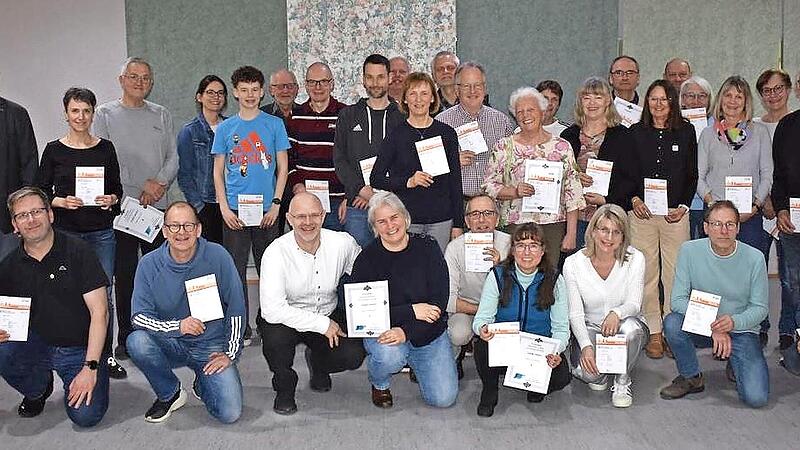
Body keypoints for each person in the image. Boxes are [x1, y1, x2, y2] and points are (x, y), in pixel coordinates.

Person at [35, 87, 126, 379]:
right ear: (66, 113)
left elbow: (117, 189)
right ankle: (73, 352)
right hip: (65, 235)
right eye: (75, 111)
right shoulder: (53, 150)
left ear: (93, 113)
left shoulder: (105, 148)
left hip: (100, 233)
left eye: (86, 111)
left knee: (105, 294)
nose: (81, 116)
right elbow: (39, 192)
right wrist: (59, 201)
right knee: (68, 294)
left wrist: (111, 199)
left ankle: (106, 355)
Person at [0, 187, 110, 427]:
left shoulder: (78, 251)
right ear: (15, 224)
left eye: (37, 211)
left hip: (80, 349)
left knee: (86, 417)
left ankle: (89, 374)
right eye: (22, 215)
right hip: (38, 345)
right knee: (3, 351)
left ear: (50, 214)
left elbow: (99, 312)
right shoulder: (8, 266)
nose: (31, 219)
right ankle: (37, 389)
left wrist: (91, 366)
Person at [127, 201, 244, 424]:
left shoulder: (218, 256)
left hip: (210, 344)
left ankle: (203, 380)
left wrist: (230, 353)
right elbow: (138, 317)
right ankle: (170, 393)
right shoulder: (149, 264)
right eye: (174, 226)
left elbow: (237, 308)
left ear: (198, 229)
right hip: (170, 341)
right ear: (164, 231)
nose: (181, 232)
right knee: (137, 342)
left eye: (188, 226)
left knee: (230, 413)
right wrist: (178, 326)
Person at [94, 57, 178, 359]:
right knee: (126, 273)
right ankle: (127, 337)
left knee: (161, 272)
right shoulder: (104, 114)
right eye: (133, 76)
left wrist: (158, 183)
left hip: (158, 206)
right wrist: (137, 188)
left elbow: (173, 157)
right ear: (121, 80)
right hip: (124, 209)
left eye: (145, 77)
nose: (140, 82)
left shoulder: (162, 114)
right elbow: (104, 158)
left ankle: (162, 330)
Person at [257, 192, 366, 415]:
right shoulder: (275, 253)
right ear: (289, 219)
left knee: (353, 355)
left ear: (324, 216)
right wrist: (322, 325)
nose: (308, 222)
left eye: (314, 215)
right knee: (276, 343)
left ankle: (318, 362)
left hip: (328, 311)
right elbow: (273, 309)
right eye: (300, 216)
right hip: (285, 318)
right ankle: (284, 386)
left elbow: (366, 272)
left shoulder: (342, 243)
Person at [350, 191, 458, 409]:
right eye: (381, 221)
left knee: (443, 399)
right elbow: (361, 314)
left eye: (394, 217)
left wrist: (407, 331)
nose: (390, 225)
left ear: (405, 218)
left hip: (426, 330)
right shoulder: (366, 260)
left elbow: (438, 302)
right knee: (390, 356)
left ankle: (417, 362)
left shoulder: (428, 248)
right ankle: (379, 383)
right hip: (385, 329)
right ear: (374, 227)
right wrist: (411, 311)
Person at [660, 201, 769, 408]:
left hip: (741, 330)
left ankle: (734, 360)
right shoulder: (689, 251)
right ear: (706, 227)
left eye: (729, 224)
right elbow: (677, 301)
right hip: (704, 325)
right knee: (673, 323)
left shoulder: (755, 258)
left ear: (738, 228)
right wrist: (713, 326)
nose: (723, 230)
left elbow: (760, 308)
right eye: (717, 224)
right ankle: (691, 376)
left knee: (757, 398)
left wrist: (733, 323)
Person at [212, 65, 290, 346]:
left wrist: (277, 205)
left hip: (268, 210)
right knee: (234, 270)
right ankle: (240, 326)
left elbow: (283, 167)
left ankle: (267, 324)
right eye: (243, 90)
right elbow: (217, 171)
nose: (249, 95)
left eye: (254, 90)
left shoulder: (274, 125)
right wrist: (223, 208)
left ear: (262, 92)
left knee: (269, 268)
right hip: (233, 210)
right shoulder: (225, 128)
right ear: (235, 92)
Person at [697, 75, 773, 346]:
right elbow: (699, 176)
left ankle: (754, 325)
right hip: (716, 218)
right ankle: (715, 325)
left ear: (746, 102)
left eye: (738, 96)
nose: (732, 101)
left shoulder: (760, 132)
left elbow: (767, 175)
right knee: (714, 272)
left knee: (751, 272)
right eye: (728, 95)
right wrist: (710, 204)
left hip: (749, 217)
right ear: (721, 99)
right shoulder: (708, 134)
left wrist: (755, 205)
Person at [625, 80, 697, 359]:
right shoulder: (635, 133)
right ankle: (654, 332)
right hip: (641, 214)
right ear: (647, 102)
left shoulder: (686, 132)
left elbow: (692, 174)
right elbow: (627, 174)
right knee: (646, 274)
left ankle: (673, 331)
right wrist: (634, 199)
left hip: (674, 216)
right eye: (653, 99)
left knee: (675, 274)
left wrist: (683, 206)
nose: (658, 105)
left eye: (664, 99)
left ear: (672, 103)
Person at [472, 222, 570, 417]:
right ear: (513, 250)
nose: (527, 252)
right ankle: (490, 390)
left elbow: (561, 327)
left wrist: (556, 351)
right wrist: (482, 328)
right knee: (482, 347)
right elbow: (482, 318)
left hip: (537, 349)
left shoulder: (555, 279)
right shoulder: (497, 276)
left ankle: (534, 384)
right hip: (506, 346)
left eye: (533, 245)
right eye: (521, 245)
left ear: (543, 251)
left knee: (562, 377)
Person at [483, 86, 584, 266]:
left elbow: (573, 193)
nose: (525, 115)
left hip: (552, 226)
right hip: (513, 224)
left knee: (547, 278)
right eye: (520, 111)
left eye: (530, 109)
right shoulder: (503, 146)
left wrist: (571, 233)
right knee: (512, 277)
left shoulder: (562, 147)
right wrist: (514, 191)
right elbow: (489, 186)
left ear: (542, 111)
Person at [563, 204, 647, 407]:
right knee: (590, 376)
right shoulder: (573, 263)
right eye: (604, 230)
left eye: (616, 232)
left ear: (623, 236)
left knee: (632, 330)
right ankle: (601, 374)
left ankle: (622, 380)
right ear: (593, 231)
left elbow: (635, 303)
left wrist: (616, 313)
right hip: (590, 326)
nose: (609, 238)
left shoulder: (636, 258)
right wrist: (586, 346)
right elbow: (575, 313)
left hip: (625, 324)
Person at [370, 72, 464, 252]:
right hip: (407, 219)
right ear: (404, 99)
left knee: (436, 270)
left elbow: (455, 182)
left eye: (424, 93)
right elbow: (376, 178)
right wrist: (408, 181)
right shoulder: (395, 135)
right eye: (413, 93)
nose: (418, 99)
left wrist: (458, 224)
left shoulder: (447, 133)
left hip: (442, 220)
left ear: (432, 98)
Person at [333, 54, 405, 248]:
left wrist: (378, 196)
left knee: (393, 260)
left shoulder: (402, 117)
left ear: (389, 78)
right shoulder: (348, 115)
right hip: (357, 205)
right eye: (370, 77)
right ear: (363, 79)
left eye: (380, 77)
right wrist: (362, 191)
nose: (375, 83)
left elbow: (405, 163)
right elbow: (340, 160)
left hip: (392, 205)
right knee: (359, 263)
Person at [561, 77, 635, 249]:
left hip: (610, 218)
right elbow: (557, 175)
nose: (592, 102)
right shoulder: (567, 136)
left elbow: (631, 179)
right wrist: (574, 176)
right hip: (573, 220)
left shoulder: (623, 136)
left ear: (608, 100)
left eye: (598, 97)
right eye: (586, 97)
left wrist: (606, 199)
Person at [444, 195, 511, 378]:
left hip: (503, 310)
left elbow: (521, 291)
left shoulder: (511, 244)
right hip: (468, 309)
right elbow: (447, 298)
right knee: (458, 333)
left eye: (488, 213)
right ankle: (455, 358)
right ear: (466, 220)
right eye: (475, 214)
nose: (482, 220)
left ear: (497, 218)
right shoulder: (455, 248)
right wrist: (481, 312)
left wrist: (502, 266)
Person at [754, 69, 794, 349]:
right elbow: (751, 168)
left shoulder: (793, 124)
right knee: (755, 273)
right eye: (767, 90)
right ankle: (759, 326)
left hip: (789, 212)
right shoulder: (753, 125)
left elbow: (786, 172)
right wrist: (765, 201)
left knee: (790, 277)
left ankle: (788, 330)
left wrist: (779, 205)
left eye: (778, 88)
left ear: (789, 90)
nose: (773, 95)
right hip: (758, 209)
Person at [286, 62, 349, 234]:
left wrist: (348, 196)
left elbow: (354, 159)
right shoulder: (295, 116)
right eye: (312, 82)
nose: (318, 87)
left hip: (338, 202)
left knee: (337, 257)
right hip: (306, 203)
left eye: (323, 81)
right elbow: (289, 159)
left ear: (332, 84)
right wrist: (297, 186)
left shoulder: (346, 115)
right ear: (306, 85)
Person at [436, 62, 515, 199]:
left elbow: (513, 165)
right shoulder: (441, 123)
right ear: (457, 90)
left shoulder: (502, 122)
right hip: (456, 203)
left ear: (485, 89)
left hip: (494, 203)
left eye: (477, 85)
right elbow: (431, 170)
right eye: (466, 86)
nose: (473, 91)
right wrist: (453, 161)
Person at [177, 75, 228, 244]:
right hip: (206, 205)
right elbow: (184, 175)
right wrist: (199, 207)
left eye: (220, 93)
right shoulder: (189, 132)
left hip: (231, 203)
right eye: (210, 92)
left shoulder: (232, 127)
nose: (216, 97)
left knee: (231, 257)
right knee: (208, 257)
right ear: (199, 97)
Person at [771, 77, 800, 369]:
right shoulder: (787, 126)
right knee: (793, 282)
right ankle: (793, 341)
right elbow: (779, 176)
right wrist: (780, 209)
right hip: (793, 220)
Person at [679, 76, 714, 240]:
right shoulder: (673, 126)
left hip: (711, 201)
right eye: (690, 95)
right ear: (682, 99)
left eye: (702, 96)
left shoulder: (718, 127)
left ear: (710, 100)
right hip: (681, 203)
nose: (696, 100)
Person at [0, 96, 38, 234]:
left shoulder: (16, 113)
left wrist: (24, 211)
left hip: (6, 217)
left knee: (9, 254)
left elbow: (29, 165)